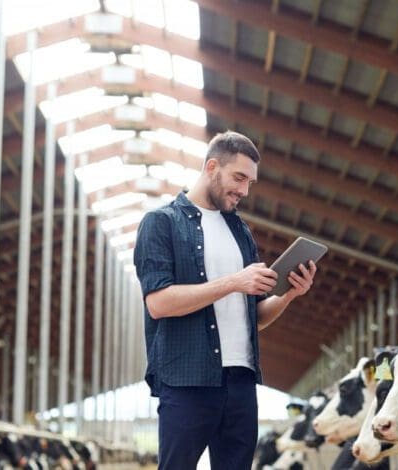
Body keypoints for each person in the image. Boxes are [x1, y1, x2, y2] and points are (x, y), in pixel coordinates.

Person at [133, 130, 318, 469]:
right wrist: (234, 281)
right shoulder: (161, 223)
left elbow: (255, 317)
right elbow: (159, 303)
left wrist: (291, 293)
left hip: (241, 381)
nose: (244, 191)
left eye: (250, 182)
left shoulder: (241, 232)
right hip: (187, 380)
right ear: (212, 166)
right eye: (239, 177)